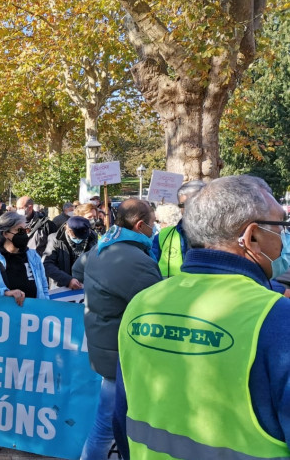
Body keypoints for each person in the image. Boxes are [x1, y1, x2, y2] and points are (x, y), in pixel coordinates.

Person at [116, 175, 290, 460]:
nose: (284, 239)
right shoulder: (278, 320)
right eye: (281, 227)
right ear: (252, 236)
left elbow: (121, 418)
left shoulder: (141, 304)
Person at [71, 198, 162, 460]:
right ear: (141, 224)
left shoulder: (104, 247)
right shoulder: (132, 259)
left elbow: (79, 267)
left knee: (107, 425)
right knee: (109, 427)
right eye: (153, 223)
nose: (154, 229)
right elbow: (156, 305)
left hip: (106, 349)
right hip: (123, 355)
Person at [0, 211, 50, 303]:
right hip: (3, 315)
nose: (24, 234)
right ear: (5, 234)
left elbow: (44, 289)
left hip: (32, 315)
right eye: (19, 230)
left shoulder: (34, 256)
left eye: (25, 230)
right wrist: (5, 293)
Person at [151, 180, 206, 278]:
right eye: (182, 205)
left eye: (192, 203)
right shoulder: (163, 236)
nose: (187, 208)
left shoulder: (222, 235)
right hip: (173, 290)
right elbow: (152, 269)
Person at [43, 216, 98, 290]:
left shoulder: (92, 237)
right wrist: (68, 280)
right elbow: (47, 264)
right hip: (62, 286)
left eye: (83, 238)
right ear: (68, 230)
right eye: (76, 238)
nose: (79, 240)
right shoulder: (54, 239)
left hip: (86, 285)